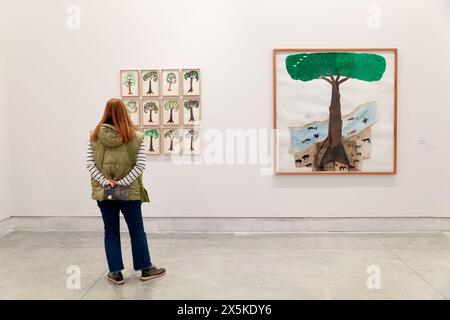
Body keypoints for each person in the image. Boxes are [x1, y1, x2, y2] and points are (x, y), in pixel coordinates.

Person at [85, 98, 166, 285]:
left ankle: (115, 273)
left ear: (105, 112)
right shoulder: (136, 137)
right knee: (137, 230)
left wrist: (108, 182)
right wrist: (122, 183)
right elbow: (141, 165)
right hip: (129, 192)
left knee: (110, 232)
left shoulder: (94, 136)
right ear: (125, 112)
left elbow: (89, 164)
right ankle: (146, 269)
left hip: (105, 192)